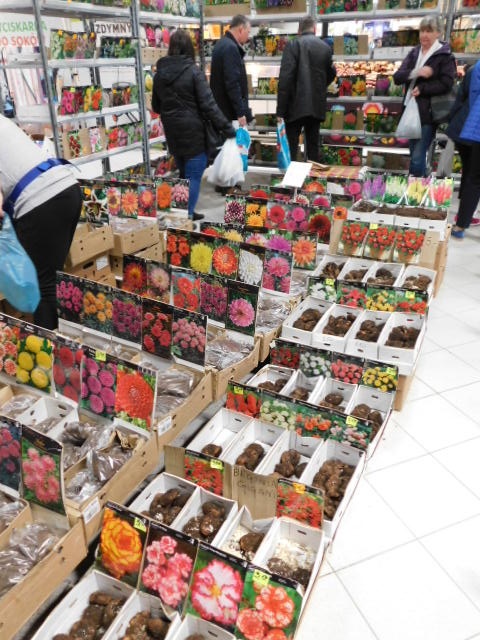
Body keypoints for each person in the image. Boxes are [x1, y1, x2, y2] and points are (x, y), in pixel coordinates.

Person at [0, 115, 81, 330]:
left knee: (42, 286)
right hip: (67, 187)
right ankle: (69, 336)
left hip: (40, 202)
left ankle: (50, 345)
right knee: (52, 279)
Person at [153, 29, 236, 219]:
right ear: (189, 48)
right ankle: (185, 218)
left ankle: (184, 212)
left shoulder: (159, 75)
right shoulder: (193, 72)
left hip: (172, 132)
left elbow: (156, 106)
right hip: (194, 132)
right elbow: (209, 105)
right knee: (194, 175)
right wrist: (227, 128)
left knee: (184, 174)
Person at [393, 16, 456, 177]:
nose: (424, 35)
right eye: (422, 31)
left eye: (429, 31)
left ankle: (415, 187)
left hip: (428, 113)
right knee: (414, 153)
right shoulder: (414, 53)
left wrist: (423, 88)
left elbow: (447, 83)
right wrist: (417, 72)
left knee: (417, 156)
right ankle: (421, 185)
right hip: (410, 109)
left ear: (438, 33)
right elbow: (397, 77)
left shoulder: (445, 56)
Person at [276, 15, 336, 163]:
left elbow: (285, 79)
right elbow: (332, 74)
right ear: (315, 29)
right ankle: (312, 176)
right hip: (316, 106)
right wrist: (319, 86)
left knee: (291, 148)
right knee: (313, 149)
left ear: (299, 30)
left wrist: (280, 111)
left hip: (294, 106)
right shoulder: (325, 48)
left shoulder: (292, 46)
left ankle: (292, 176)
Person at [446, 61, 480, 238]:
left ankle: (461, 224)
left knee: (472, 177)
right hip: (471, 128)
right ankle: (464, 219)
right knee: (473, 177)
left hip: (470, 128)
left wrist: (452, 119)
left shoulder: (476, 68)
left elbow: (464, 98)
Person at [210, 15, 253, 128]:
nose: (248, 36)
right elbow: (232, 83)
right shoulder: (230, 48)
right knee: (233, 139)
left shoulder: (221, 43)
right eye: (248, 32)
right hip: (230, 114)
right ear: (241, 29)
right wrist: (240, 112)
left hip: (221, 111)